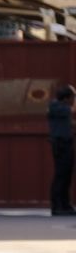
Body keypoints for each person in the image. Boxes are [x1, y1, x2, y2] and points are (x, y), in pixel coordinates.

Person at [49, 85, 75, 216]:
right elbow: (73, 110)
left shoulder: (60, 108)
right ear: (66, 98)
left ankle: (65, 205)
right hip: (60, 144)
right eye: (71, 98)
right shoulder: (56, 106)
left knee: (67, 176)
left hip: (66, 143)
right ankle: (57, 206)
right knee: (61, 175)